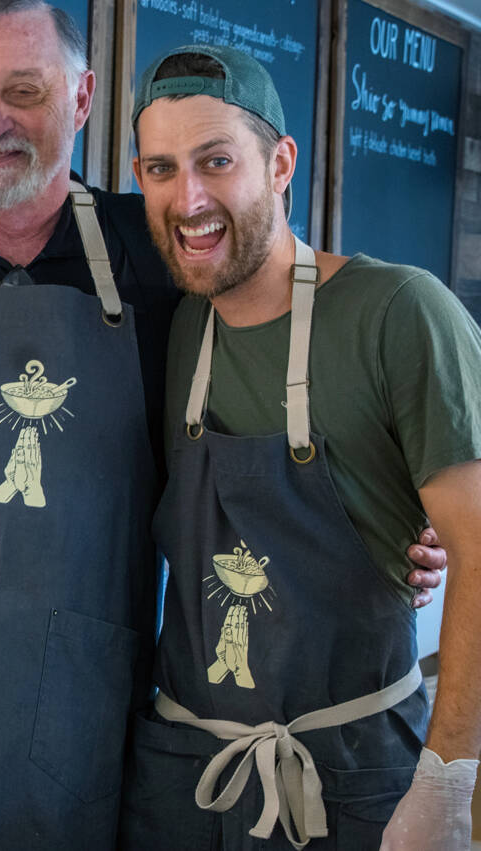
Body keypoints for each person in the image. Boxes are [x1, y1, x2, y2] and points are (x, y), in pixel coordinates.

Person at [0, 0, 448, 847]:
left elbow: (248, 452)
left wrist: (401, 524)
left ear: (81, 101)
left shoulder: (153, 257)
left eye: (23, 91)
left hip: (84, 730)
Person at [121, 44, 481, 850]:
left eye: (217, 160)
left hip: (350, 781)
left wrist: (448, 782)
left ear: (282, 162)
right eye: (161, 167)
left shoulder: (398, 312)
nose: (190, 198)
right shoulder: (180, 325)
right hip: (183, 775)